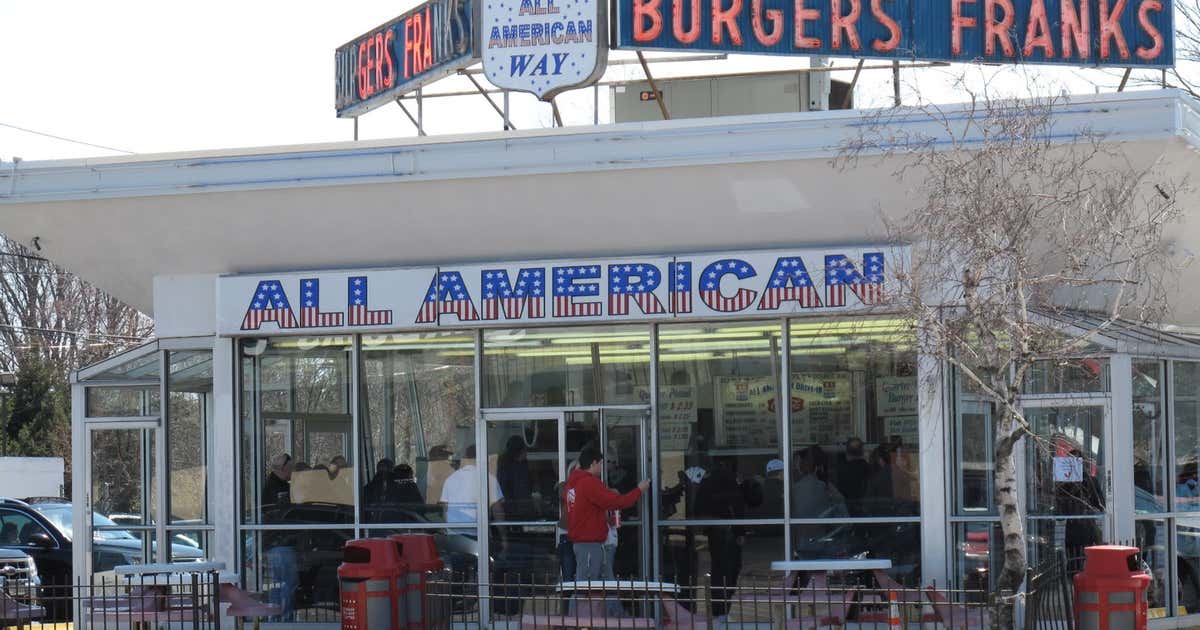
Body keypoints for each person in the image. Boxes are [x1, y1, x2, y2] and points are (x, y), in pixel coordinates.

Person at [566, 447, 650, 581]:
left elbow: (586, 511)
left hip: (587, 543)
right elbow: (617, 502)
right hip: (590, 544)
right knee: (587, 588)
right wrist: (639, 490)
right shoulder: (589, 482)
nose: (602, 467)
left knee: (603, 586)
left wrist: (604, 519)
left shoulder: (573, 483)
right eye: (601, 463)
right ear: (593, 463)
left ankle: (606, 602)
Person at [694, 458, 747, 620]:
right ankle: (722, 609)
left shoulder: (708, 483)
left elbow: (698, 507)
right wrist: (740, 532)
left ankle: (719, 610)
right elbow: (737, 507)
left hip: (715, 532)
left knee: (719, 569)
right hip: (727, 533)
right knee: (729, 570)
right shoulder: (729, 482)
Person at [262, 453, 298, 622]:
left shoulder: (271, 486)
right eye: (291, 468)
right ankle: (284, 619)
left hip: (273, 543)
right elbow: (286, 515)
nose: (293, 471)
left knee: (277, 584)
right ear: (283, 469)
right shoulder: (279, 490)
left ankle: (274, 619)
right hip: (281, 543)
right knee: (287, 583)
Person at [440, 445, 503, 523]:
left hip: (454, 531)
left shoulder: (450, 479)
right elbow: (497, 510)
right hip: (478, 532)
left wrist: (448, 531)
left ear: (465, 457)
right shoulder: (488, 478)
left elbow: (445, 510)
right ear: (484, 458)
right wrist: (503, 534)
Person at [497, 435, 535, 520]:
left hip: (520, 510)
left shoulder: (522, 465)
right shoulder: (507, 468)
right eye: (525, 450)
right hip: (514, 512)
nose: (527, 453)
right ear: (519, 451)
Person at [837, 438, 872, 515]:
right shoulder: (870, 469)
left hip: (847, 512)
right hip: (867, 512)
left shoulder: (841, 471)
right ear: (862, 451)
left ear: (847, 452)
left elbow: (839, 494)